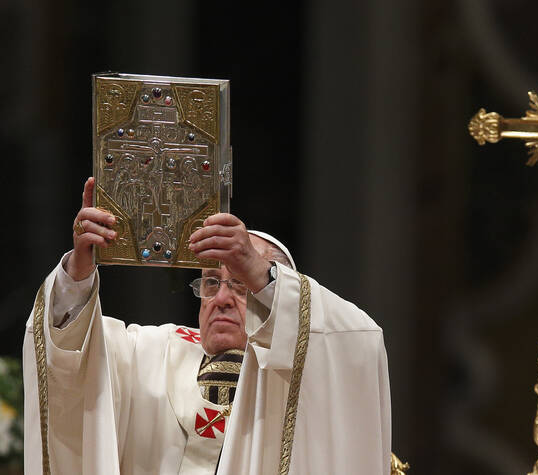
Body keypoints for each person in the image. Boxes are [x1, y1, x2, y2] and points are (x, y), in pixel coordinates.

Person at [22, 177, 392, 474]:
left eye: (243, 284)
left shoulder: (303, 373)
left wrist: (257, 266)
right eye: (212, 283)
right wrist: (79, 273)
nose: (222, 298)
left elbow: (357, 344)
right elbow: (68, 354)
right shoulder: (149, 352)